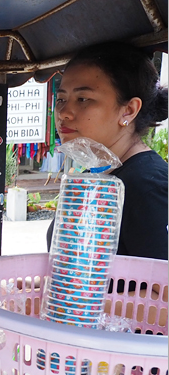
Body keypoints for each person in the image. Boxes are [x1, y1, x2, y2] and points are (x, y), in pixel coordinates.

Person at [47, 42, 168, 260]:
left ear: (129, 110)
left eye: (83, 99)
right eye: (62, 99)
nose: (64, 112)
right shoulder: (94, 178)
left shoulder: (148, 186)